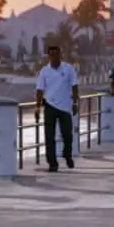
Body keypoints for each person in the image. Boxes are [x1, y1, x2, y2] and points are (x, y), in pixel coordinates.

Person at [35, 44, 79, 172]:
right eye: (51, 54)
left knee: (68, 135)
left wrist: (75, 103)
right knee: (49, 137)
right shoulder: (44, 71)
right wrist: (37, 107)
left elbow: (74, 86)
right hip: (49, 106)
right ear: (48, 56)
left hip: (65, 107)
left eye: (56, 53)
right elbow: (39, 90)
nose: (54, 56)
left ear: (60, 54)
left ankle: (67, 154)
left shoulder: (69, 68)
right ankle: (52, 163)